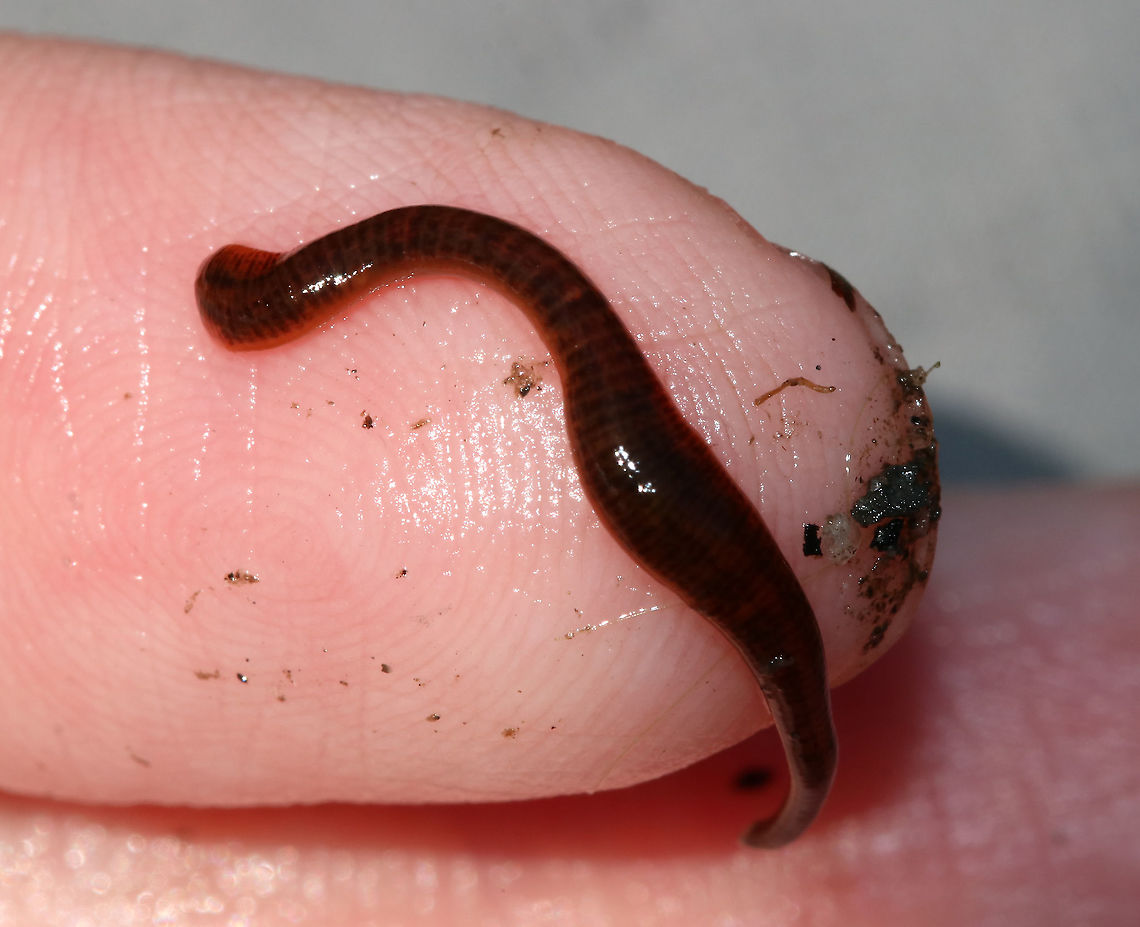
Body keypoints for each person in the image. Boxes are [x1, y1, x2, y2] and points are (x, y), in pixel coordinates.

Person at [0, 35, 1134, 925]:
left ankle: (804, 781)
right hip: (658, 486)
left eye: (260, 289)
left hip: (655, 478)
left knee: (667, 487)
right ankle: (803, 778)